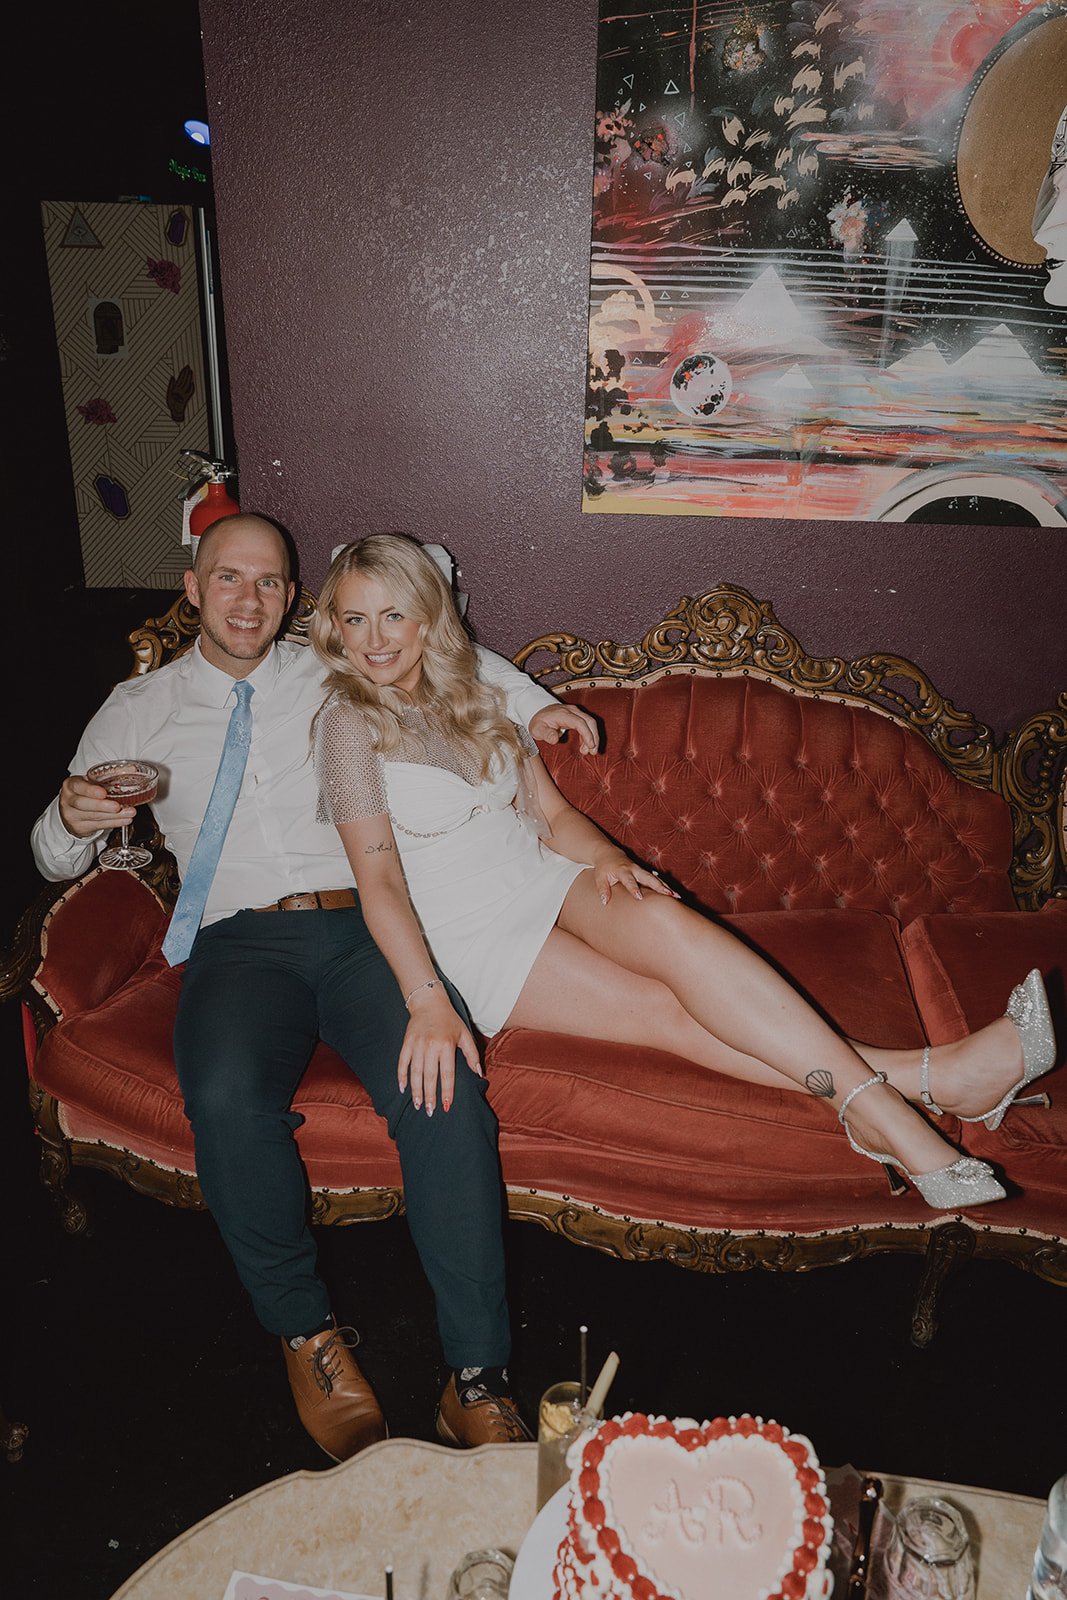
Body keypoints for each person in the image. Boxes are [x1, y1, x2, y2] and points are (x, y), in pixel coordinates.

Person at [30, 514, 599, 1462]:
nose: (248, 598)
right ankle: (307, 1335)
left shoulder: (331, 668)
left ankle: (477, 1378)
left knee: (446, 1090)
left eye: (269, 582)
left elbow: (456, 653)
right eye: (228, 579)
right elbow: (52, 856)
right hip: (239, 945)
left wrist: (534, 705)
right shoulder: (139, 707)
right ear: (192, 585)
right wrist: (70, 814)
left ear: (293, 598)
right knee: (223, 1097)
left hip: (367, 926)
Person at [311, 534, 1057, 1212]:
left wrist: (611, 859)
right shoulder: (345, 724)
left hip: (543, 874)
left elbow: (555, 816)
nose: (376, 641)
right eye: (355, 620)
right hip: (466, 931)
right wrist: (427, 999)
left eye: (394, 616)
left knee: (665, 919)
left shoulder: (476, 692)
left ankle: (933, 1087)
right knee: (663, 1012)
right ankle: (897, 1104)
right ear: (334, 628)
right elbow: (377, 885)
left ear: (428, 617)